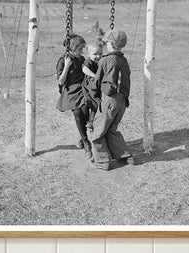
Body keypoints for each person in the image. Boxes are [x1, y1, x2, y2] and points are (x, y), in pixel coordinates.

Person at [90, 30, 135, 170]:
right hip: (122, 100)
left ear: (110, 44)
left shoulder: (105, 60)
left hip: (110, 100)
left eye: (107, 42)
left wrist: (92, 94)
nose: (106, 44)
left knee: (98, 131)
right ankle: (126, 156)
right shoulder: (124, 60)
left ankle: (102, 161)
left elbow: (97, 82)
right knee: (111, 130)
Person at [56, 34, 92, 159]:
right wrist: (66, 66)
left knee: (85, 112)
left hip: (82, 89)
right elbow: (61, 81)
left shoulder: (81, 59)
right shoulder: (63, 60)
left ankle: (83, 137)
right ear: (73, 48)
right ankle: (86, 141)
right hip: (71, 90)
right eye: (80, 49)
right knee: (77, 114)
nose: (82, 51)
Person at [82, 39, 104, 129]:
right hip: (89, 86)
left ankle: (92, 121)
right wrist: (95, 76)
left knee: (98, 102)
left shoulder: (102, 60)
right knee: (95, 101)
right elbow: (84, 69)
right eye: (95, 54)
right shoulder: (88, 62)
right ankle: (90, 121)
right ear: (88, 55)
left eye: (100, 53)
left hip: (97, 85)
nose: (98, 56)